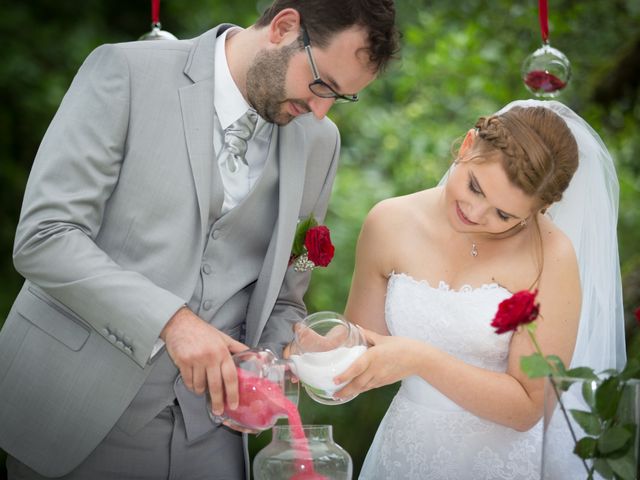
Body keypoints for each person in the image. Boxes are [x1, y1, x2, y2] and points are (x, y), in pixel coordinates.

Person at [0, 1, 399, 479]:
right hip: (74, 413)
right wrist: (172, 322)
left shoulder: (319, 143)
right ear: (284, 27)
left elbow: (283, 298)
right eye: (321, 85)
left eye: (341, 97)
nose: (320, 112)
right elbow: (45, 237)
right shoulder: (127, 72)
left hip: (212, 442)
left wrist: (291, 352)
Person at [333, 100, 626, 479]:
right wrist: (322, 351)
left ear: (539, 210)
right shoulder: (389, 221)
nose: (475, 213)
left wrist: (420, 359)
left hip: (502, 462)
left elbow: (527, 407)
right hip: (406, 449)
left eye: (504, 215)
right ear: (469, 144)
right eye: (475, 187)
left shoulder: (551, 255)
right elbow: (361, 346)